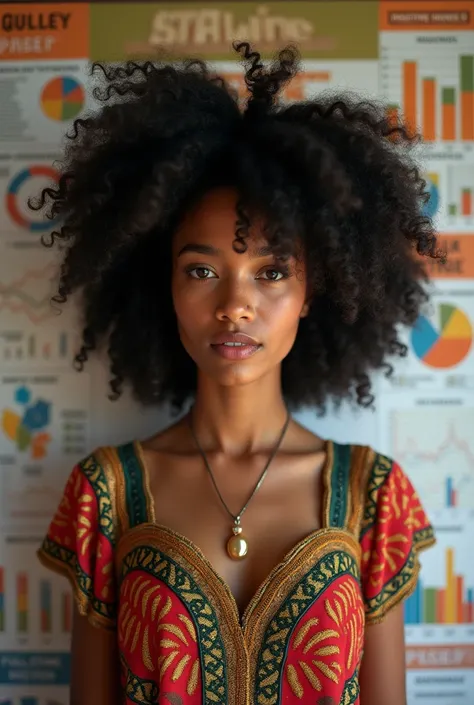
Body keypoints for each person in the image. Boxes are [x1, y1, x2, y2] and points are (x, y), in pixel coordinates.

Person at [35, 42, 439, 705]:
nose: (234, 305)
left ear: (314, 289)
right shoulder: (104, 495)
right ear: (160, 283)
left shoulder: (373, 495)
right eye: (201, 269)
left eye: (272, 271)